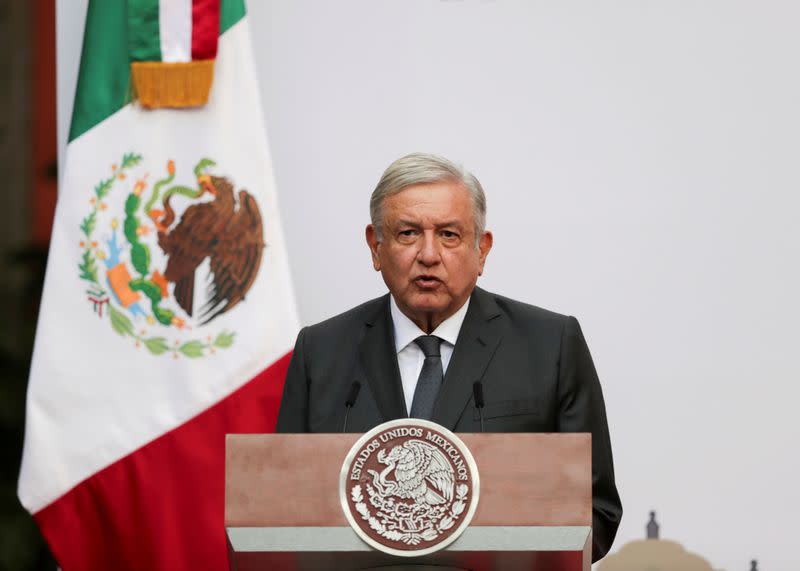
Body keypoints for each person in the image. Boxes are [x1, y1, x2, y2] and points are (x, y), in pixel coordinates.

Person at [276, 152, 622, 561]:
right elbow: (282, 510)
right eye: (407, 233)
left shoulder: (550, 346)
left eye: (449, 235)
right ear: (375, 247)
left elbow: (595, 510)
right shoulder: (320, 352)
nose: (428, 254)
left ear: (482, 250)